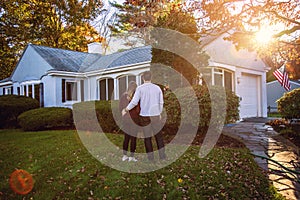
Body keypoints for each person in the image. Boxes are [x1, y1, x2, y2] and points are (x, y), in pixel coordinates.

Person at [122, 71, 166, 161]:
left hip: (144, 117)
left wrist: (126, 109)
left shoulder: (140, 88)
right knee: (159, 137)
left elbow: (134, 102)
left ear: (143, 78)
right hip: (155, 116)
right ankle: (162, 157)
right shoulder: (157, 88)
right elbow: (161, 102)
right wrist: (159, 112)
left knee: (148, 138)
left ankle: (151, 158)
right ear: (151, 77)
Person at [119, 81, 140, 162]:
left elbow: (120, 107)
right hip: (134, 120)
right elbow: (138, 109)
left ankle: (124, 156)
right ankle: (131, 157)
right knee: (133, 138)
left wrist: (123, 113)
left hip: (126, 120)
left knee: (126, 138)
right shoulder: (137, 97)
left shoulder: (123, 96)